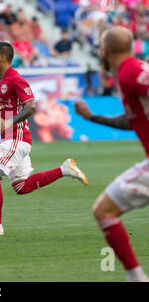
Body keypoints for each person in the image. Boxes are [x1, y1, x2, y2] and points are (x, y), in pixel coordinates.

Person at [0, 42, 88, 237]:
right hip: (11, 139)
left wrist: (9, 123)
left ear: (3, 58)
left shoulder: (16, 79)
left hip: (16, 138)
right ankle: (65, 169)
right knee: (21, 187)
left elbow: (31, 107)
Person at [74, 26, 149, 282]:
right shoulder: (130, 71)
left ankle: (136, 277)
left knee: (104, 211)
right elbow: (132, 120)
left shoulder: (131, 72)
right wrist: (93, 117)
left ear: (104, 51)